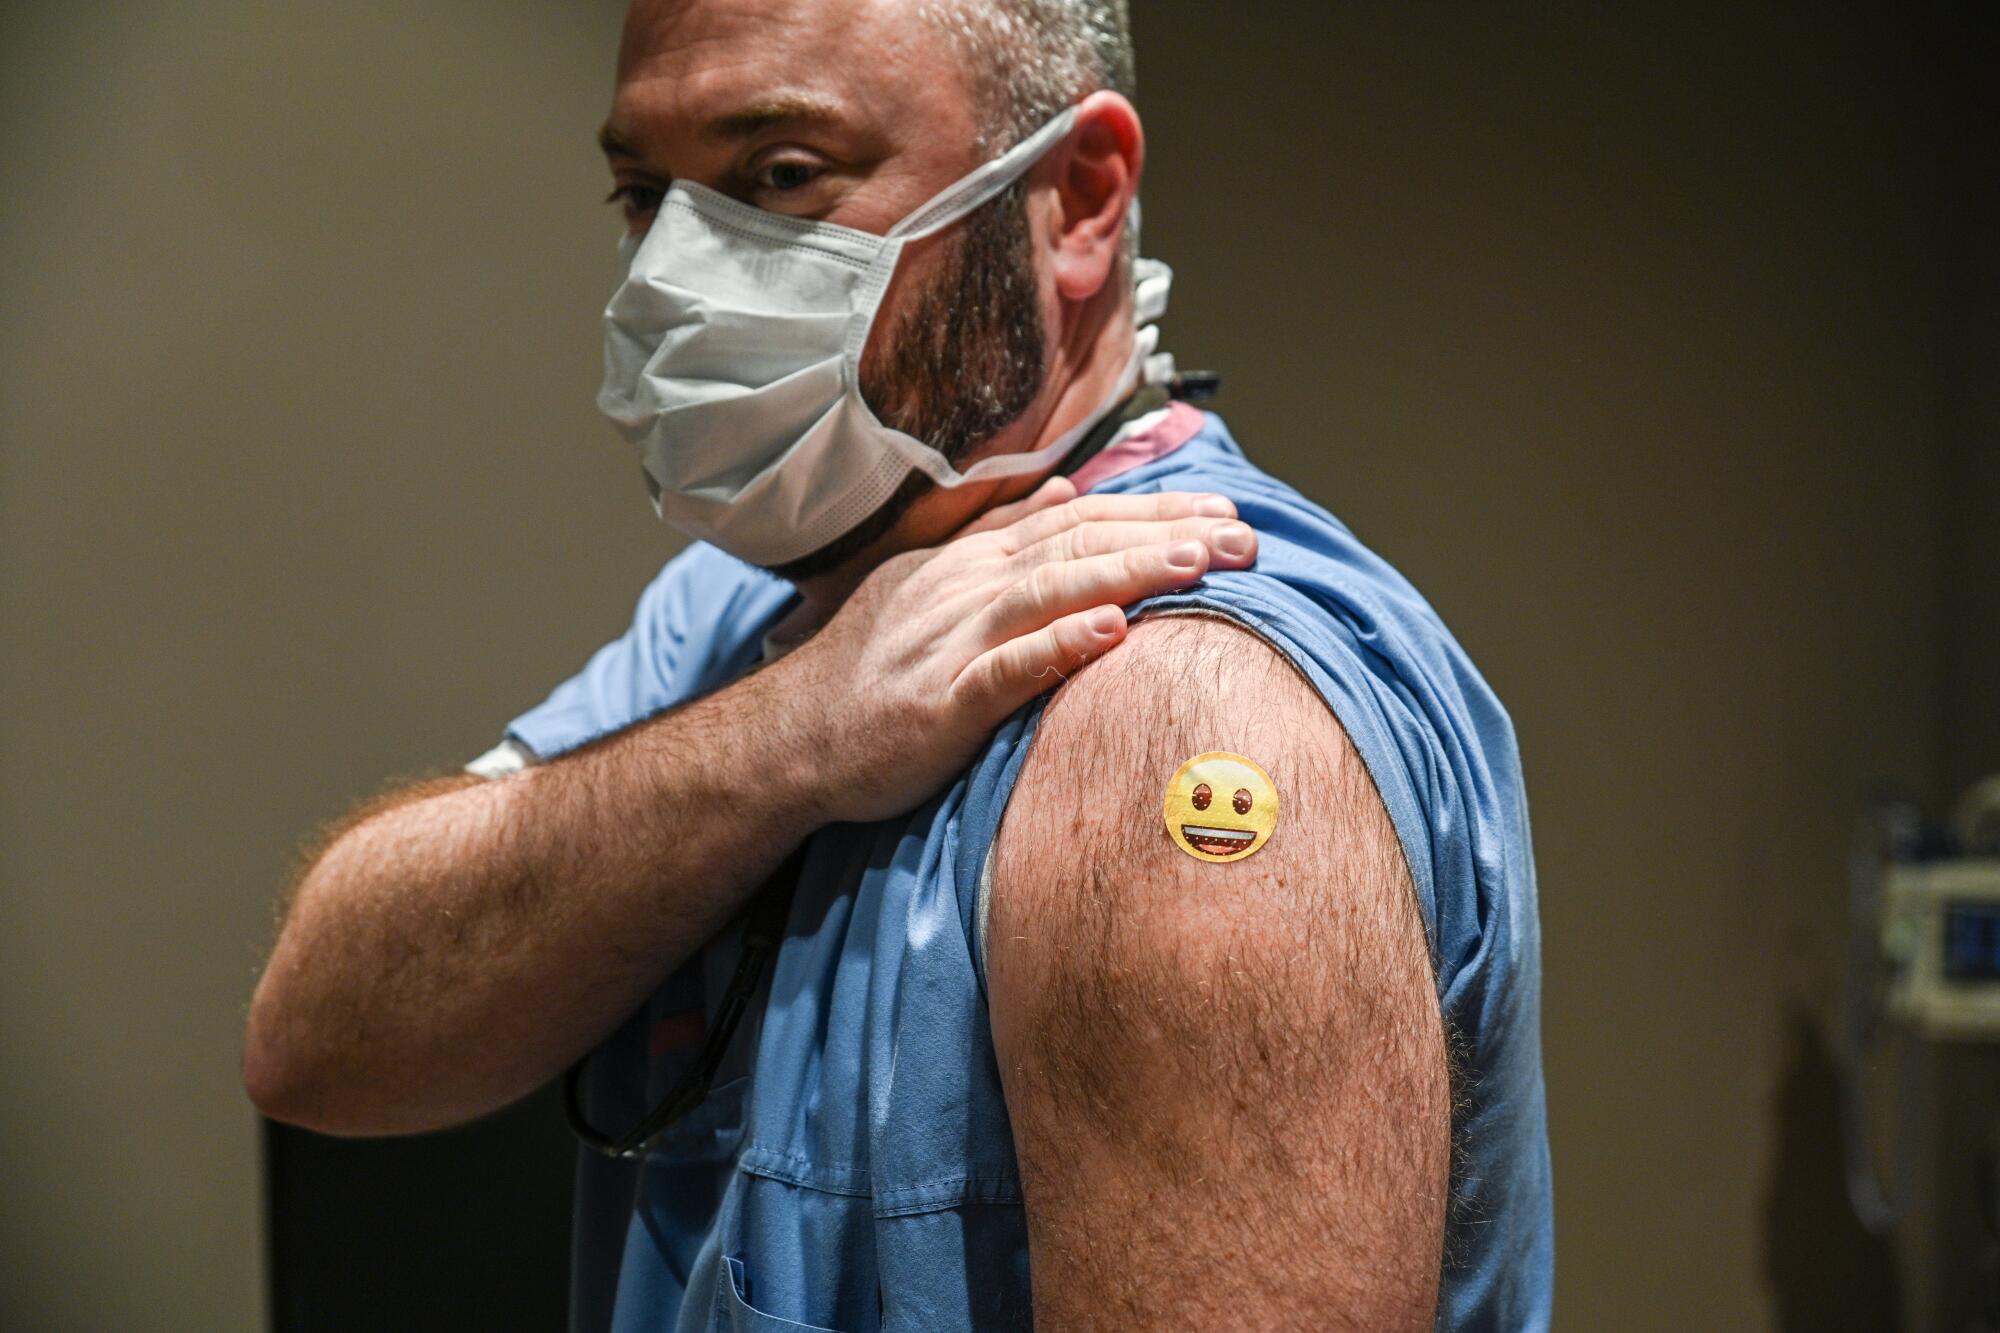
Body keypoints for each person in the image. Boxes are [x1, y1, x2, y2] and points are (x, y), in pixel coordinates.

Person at [244, 0, 1554, 1328]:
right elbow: (316, 1036)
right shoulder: (759, 616)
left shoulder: (1180, 714)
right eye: (647, 194)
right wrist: (794, 735)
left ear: (1080, 200)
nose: (676, 275)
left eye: (782, 176)